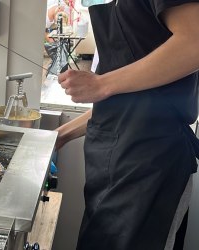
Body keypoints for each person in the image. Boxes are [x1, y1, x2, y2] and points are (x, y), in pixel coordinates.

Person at [55, 1, 199, 250]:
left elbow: (195, 42)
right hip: (114, 164)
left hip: (152, 167)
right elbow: (126, 98)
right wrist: (61, 134)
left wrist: (100, 84)